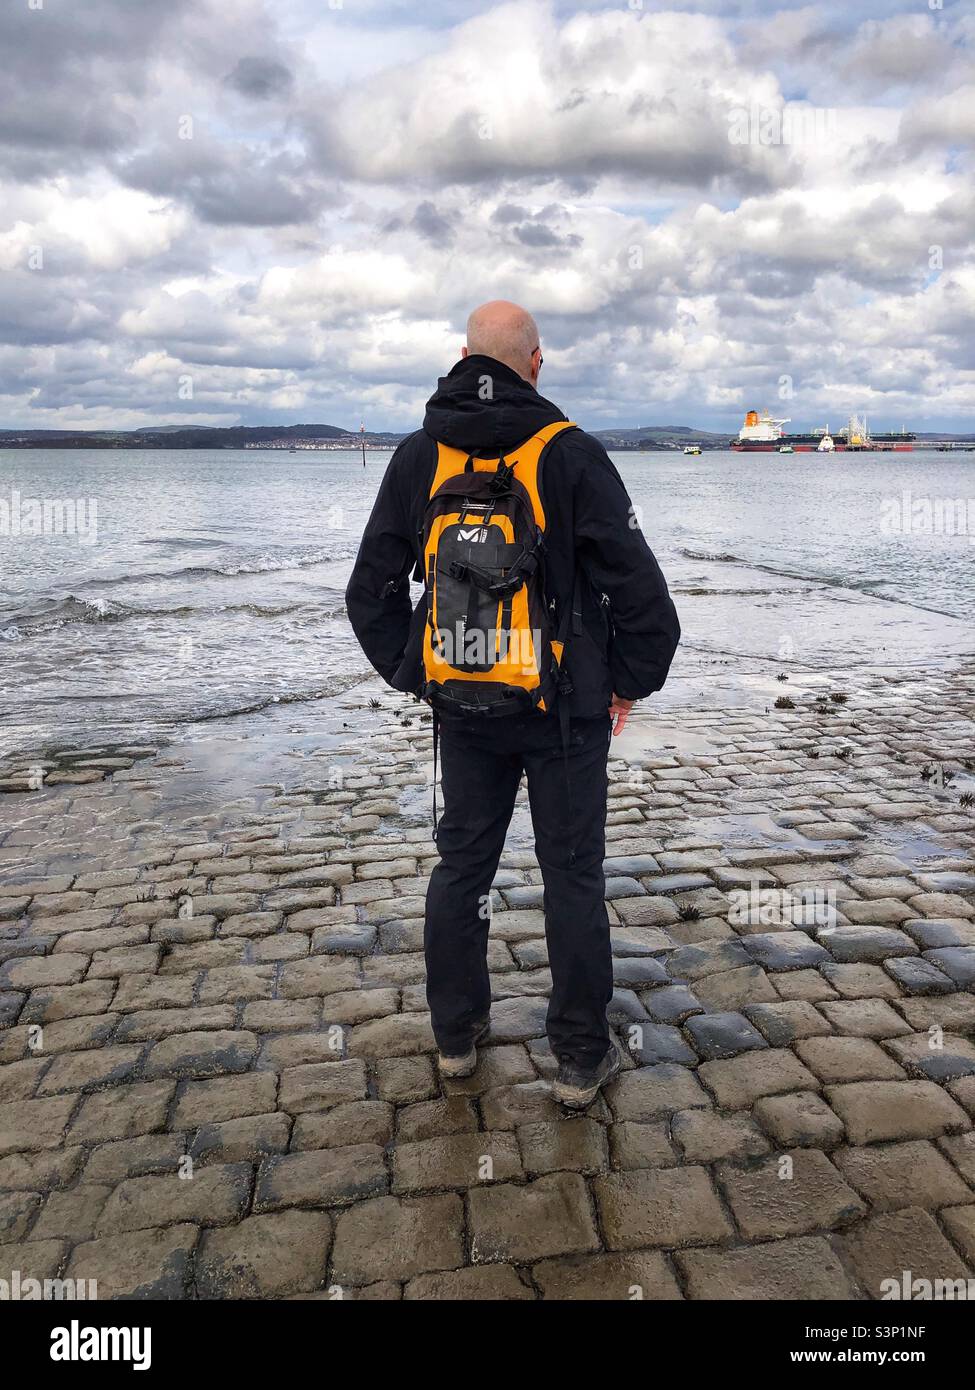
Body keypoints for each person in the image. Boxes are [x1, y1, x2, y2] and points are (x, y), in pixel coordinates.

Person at [346, 300, 680, 1109]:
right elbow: (640, 598)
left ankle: (456, 1040)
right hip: (563, 710)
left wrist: (417, 671)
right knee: (571, 876)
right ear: (536, 363)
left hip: (462, 706)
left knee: (461, 868)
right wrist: (626, 685)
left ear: (462, 357)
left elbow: (369, 593)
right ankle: (575, 1060)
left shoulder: (420, 454)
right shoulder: (569, 454)